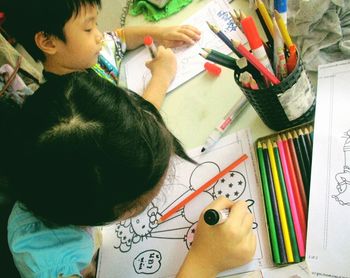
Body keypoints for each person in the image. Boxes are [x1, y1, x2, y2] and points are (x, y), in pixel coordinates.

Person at [1, 72, 256, 277]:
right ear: (117, 212)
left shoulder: (53, 141)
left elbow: (122, 131)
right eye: (145, 203)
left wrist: (161, 77)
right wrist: (205, 263)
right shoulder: (51, 263)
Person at [1, 0, 201, 109]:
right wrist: (162, 77)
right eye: (88, 28)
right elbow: (142, 126)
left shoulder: (90, 54)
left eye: (96, 23)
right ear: (48, 42)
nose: (99, 36)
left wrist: (160, 33)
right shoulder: (74, 106)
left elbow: (120, 36)